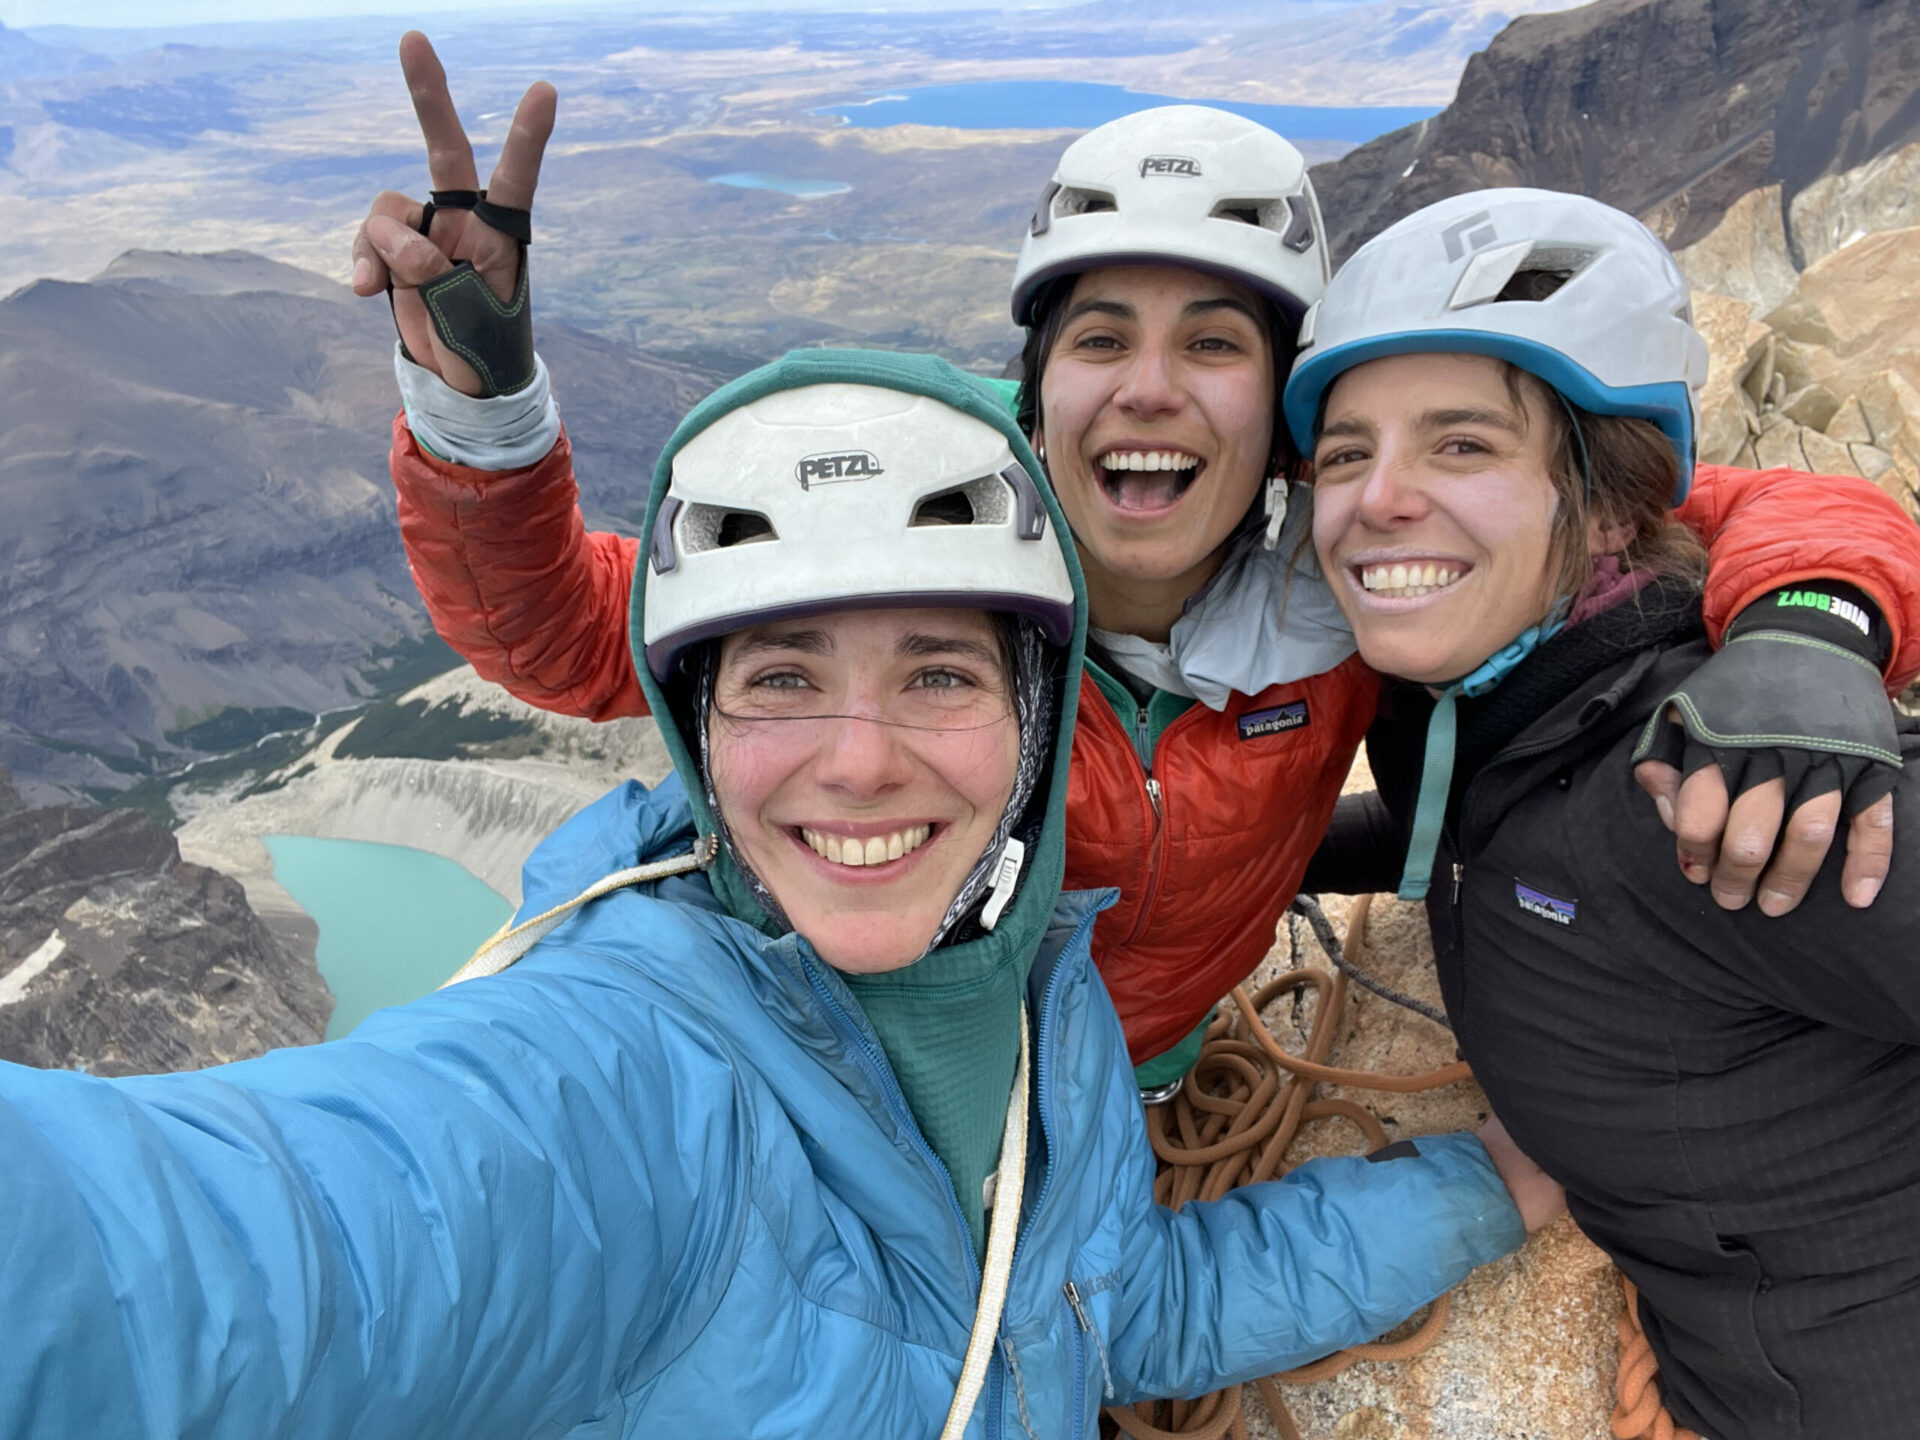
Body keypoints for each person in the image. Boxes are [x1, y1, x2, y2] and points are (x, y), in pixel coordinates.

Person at [0, 347, 1560, 1438]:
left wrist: (1479, 1190)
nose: (860, 762)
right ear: (697, 730)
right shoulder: (624, 1082)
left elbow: (1111, 1311)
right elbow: (202, 1262)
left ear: (1036, 717)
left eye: (939, 674)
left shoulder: (1030, 983)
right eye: (782, 680)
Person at [350, 35, 1920, 1098]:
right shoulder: (925, 567)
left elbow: (1702, 501)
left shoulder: (1365, 583)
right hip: (887, 1090)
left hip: (1131, 1099)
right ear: (1037, 392)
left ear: (1288, 415)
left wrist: (1812, 625)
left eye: (1215, 344)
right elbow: (564, 636)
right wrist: (483, 412)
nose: (1151, 389)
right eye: (1102, 338)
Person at [1286, 186, 1918, 1440]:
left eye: (1462, 444)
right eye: (1348, 451)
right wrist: (1269, 854)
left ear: (1617, 504)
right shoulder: (1490, 708)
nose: (1379, 498)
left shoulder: (1721, 783)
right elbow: (1488, 845)